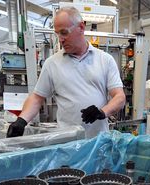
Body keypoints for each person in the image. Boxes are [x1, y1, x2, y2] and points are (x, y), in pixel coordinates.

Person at [7, 7, 126, 139]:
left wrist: (102, 112)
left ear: (81, 27)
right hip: (67, 143)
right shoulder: (52, 63)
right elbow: (37, 98)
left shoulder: (105, 60)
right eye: (58, 34)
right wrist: (21, 121)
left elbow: (119, 97)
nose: (61, 39)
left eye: (64, 33)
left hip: (98, 141)